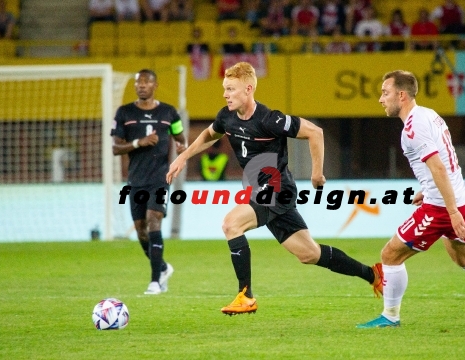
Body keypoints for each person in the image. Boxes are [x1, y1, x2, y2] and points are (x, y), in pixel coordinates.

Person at [166, 62, 383, 315]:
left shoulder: (270, 120)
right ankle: (373, 274)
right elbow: (208, 134)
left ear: (248, 89)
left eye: (231, 89)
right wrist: (183, 157)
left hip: (278, 190)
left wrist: (316, 172)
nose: (225, 94)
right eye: (225, 89)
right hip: (262, 192)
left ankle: (245, 296)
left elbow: (315, 132)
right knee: (309, 254)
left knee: (231, 224)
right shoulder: (226, 116)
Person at [356, 70, 465, 328]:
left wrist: (451, 211)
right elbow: (445, 158)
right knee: (464, 257)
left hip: (443, 206)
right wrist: (430, 189)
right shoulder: (429, 114)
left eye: (385, 93)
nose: (381, 99)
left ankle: (390, 316)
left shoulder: (413, 128)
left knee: (390, 255)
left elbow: (438, 168)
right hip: (460, 196)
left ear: (401, 95)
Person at [112, 69, 186, 295]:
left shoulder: (169, 112)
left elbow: (180, 137)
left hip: (160, 179)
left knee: (154, 221)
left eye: (146, 82)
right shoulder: (124, 113)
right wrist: (139, 143)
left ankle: (155, 281)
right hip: (135, 180)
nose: (141, 85)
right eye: (138, 82)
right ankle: (162, 268)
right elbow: (116, 147)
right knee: (141, 230)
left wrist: (182, 148)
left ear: (155, 85)